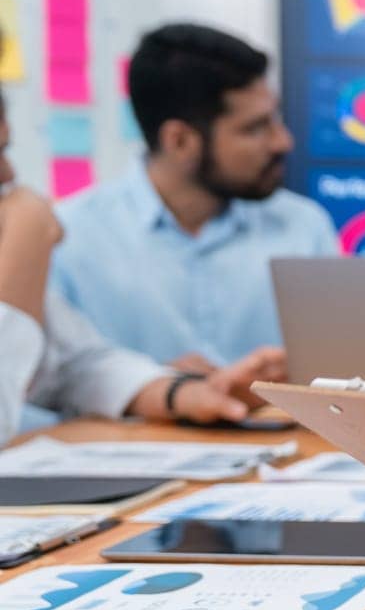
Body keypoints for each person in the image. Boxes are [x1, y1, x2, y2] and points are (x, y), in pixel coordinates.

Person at [0, 89, 285, 444]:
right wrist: (24, 245)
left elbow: (77, 364)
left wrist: (184, 395)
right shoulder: (49, 228)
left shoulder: (300, 220)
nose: (9, 174)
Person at [50, 23, 337, 372]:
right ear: (180, 141)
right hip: (122, 428)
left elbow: (341, 378)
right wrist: (153, 392)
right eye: (255, 128)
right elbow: (45, 392)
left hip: (282, 427)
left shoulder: (305, 227)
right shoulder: (67, 239)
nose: (282, 142)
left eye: (275, 120)